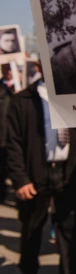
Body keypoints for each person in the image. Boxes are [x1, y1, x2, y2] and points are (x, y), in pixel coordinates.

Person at [6, 71, 76, 274]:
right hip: (35, 172)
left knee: (71, 232)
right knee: (32, 226)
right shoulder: (23, 100)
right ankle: (29, 273)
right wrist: (20, 180)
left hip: (68, 173)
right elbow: (12, 143)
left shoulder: (75, 95)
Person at [0, 64, 15, 203]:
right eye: (6, 68)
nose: (8, 72)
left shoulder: (24, 87)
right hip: (3, 136)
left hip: (17, 136)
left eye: (10, 68)